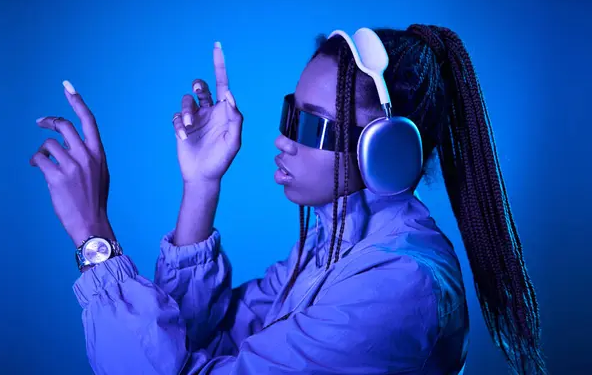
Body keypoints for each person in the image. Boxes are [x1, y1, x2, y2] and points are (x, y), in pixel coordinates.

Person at [30, 25, 546, 374]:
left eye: (309, 123)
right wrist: (201, 186)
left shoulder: (397, 285)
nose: (282, 139)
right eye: (287, 113)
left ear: (383, 151)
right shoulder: (334, 241)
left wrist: (94, 238)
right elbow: (189, 336)